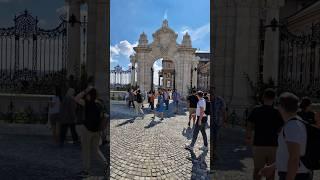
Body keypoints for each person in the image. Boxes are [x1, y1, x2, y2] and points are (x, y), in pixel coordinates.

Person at [259, 92, 312, 180]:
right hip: (297, 173)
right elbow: (288, 154)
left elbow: (294, 158)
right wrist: (272, 167)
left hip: (295, 175)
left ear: (281, 107)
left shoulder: (291, 126)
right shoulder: (297, 122)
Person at [245, 88, 283, 180]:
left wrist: (248, 137)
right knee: (271, 170)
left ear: (263, 97)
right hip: (273, 144)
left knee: (258, 169)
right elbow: (281, 128)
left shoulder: (256, 110)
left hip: (259, 143)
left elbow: (249, 125)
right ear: (274, 98)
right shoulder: (277, 112)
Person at [75, 87, 106, 178]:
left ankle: (86, 171)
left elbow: (76, 98)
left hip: (87, 130)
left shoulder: (87, 103)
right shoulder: (100, 104)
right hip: (97, 131)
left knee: (86, 151)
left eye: (87, 94)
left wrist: (84, 91)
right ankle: (106, 164)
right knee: (96, 150)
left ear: (89, 95)